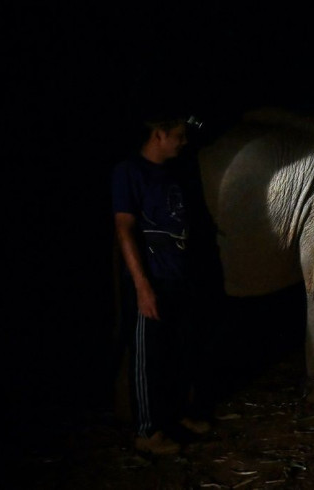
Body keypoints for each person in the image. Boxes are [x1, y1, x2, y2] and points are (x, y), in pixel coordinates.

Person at [111, 111, 222, 456]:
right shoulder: (129, 172)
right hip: (151, 278)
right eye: (179, 135)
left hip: (177, 277)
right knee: (148, 357)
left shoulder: (173, 172)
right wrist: (142, 286)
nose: (184, 142)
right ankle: (147, 431)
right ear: (159, 134)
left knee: (177, 352)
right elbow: (125, 229)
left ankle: (174, 418)